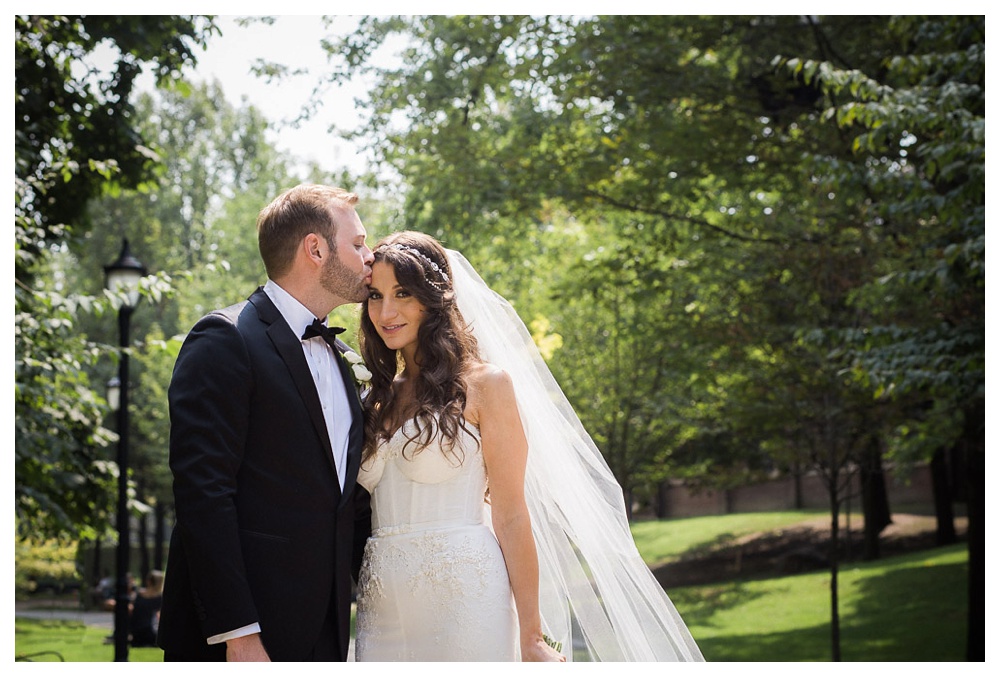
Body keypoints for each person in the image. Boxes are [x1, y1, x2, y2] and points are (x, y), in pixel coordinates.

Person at [353, 232, 704, 662]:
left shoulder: (485, 385)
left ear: (433, 297)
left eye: (402, 293)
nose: (385, 312)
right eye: (375, 295)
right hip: (381, 603)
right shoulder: (375, 397)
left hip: (464, 594)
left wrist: (532, 634)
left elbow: (513, 513)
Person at [157, 184, 374, 662]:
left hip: (328, 629)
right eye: (357, 244)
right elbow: (203, 493)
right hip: (243, 637)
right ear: (315, 249)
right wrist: (239, 633)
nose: (370, 256)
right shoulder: (225, 339)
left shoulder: (343, 360)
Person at [129, 570, 164, 647]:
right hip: (151, 632)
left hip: (136, 632)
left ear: (148, 581)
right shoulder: (160, 598)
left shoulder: (139, 595)